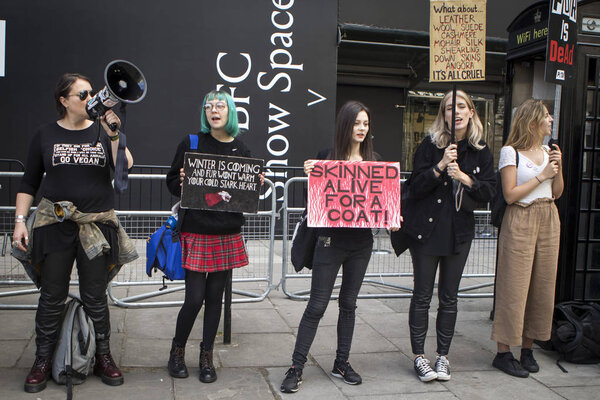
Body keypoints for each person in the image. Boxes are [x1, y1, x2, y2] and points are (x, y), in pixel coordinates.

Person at [12, 73, 136, 393]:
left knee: (96, 295)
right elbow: (28, 183)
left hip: (96, 226)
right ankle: (42, 360)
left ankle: (103, 356)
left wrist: (113, 132)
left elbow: (124, 166)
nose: (89, 99)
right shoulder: (45, 134)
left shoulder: (103, 130)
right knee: (52, 295)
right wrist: (20, 221)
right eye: (81, 95)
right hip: (55, 227)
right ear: (64, 101)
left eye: (91, 93)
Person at [280, 101, 380, 393]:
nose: (361, 129)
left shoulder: (375, 162)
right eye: (356, 123)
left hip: (361, 244)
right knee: (317, 305)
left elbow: (382, 204)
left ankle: (341, 362)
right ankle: (296, 367)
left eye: (365, 123)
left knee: (348, 304)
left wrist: (392, 216)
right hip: (329, 241)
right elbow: (316, 203)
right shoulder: (326, 158)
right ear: (344, 125)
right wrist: (312, 174)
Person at [166, 90, 262, 383]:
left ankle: (206, 355)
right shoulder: (191, 143)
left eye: (220, 105)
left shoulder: (242, 150)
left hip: (227, 233)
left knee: (215, 299)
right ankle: (177, 351)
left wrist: (255, 183)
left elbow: (245, 195)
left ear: (230, 111)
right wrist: (180, 180)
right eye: (209, 106)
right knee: (194, 299)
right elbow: (171, 182)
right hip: (196, 230)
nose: (214, 110)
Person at [401, 90, 495, 382]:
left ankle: (443, 356)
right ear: (442, 115)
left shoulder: (481, 151)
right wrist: (440, 166)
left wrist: (465, 178)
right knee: (421, 296)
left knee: (449, 298)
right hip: (427, 232)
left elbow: (490, 192)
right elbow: (414, 186)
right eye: (449, 108)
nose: (455, 112)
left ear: (471, 113)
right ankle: (419, 356)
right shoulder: (430, 146)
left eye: (461, 107)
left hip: (459, 235)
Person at [491, 99, 563, 378]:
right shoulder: (511, 152)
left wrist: (557, 167)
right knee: (514, 285)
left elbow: (557, 192)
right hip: (520, 216)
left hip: (548, 215)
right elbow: (510, 194)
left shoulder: (549, 151)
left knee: (542, 285)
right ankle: (504, 352)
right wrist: (542, 174)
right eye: (546, 116)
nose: (551, 120)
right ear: (532, 121)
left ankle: (528, 348)